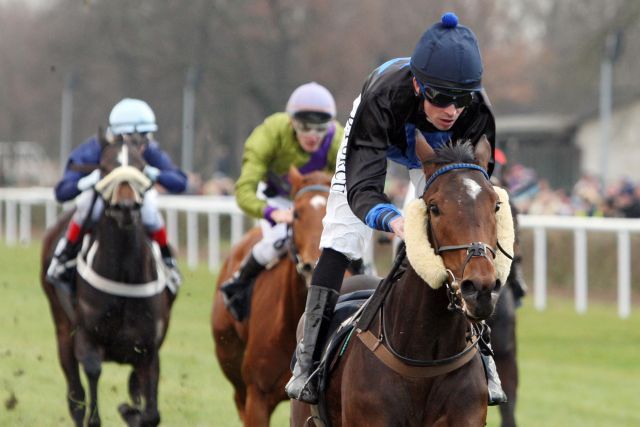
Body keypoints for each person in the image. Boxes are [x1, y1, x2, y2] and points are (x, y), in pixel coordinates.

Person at [286, 12, 507, 405]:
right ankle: (308, 362)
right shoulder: (382, 98)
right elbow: (362, 189)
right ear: (418, 84)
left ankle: (482, 351)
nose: (451, 110)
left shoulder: (475, 114)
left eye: (461, 99)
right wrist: (394, 220)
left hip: (439, 157)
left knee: (453, 238)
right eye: (440, 98)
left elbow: (476, 201)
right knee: (342, 237)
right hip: (379, 138)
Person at [219, 82, 346, 322]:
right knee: (277, 240)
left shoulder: (339, 141)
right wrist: (270, 212)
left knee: (349, 245)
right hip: (278, 198)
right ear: (291, 122)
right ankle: (238, 285)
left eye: (319, 128)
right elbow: (244, 191)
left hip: (318, 203)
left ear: (329, 125)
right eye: (304, 127)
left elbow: (358, 183)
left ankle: (366, 281)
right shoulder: (269, 134)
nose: (312, 135)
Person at [46, 98, 188, 305]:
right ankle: (64, 256)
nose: (146, 143)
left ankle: (168, 262)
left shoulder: (148, 150)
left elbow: (180, 183)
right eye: (142, 137)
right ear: (124, 135)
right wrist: (88, 181)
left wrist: (153, 173)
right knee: (88, 206)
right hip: (102, 200)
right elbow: (62, 192)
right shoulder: (93, 150)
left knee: (149, 209)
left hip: (134, 200)